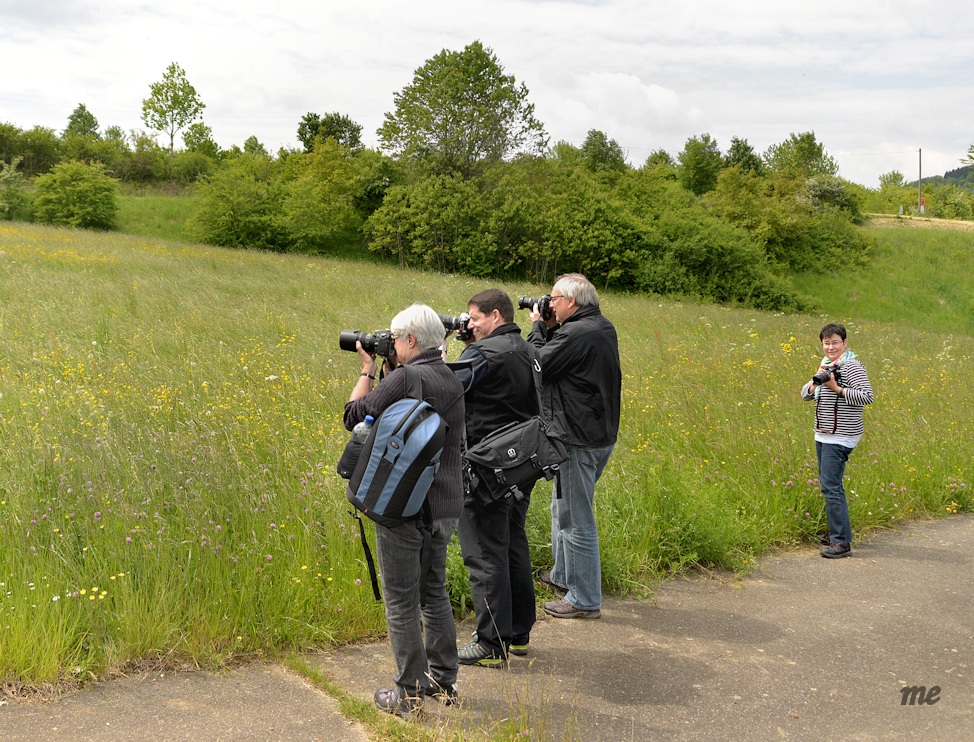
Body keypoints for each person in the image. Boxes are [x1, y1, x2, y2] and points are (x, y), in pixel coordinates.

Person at [343, 303, 465, 716]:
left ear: (410, 340)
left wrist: (366, 369)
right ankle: (443, 679)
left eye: (395, 339)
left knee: (400, 600)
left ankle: (408, 695)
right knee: (434, 591)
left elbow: (354, 415)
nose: (391, 345)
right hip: (446, 504)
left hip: (405, 505)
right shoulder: (451, 376)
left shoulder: (408, 376)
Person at [452, 289, 540, 668]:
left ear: (495, 316)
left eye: (474, 319)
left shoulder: (483, 354)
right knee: (512, 544)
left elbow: (449, 392)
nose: (469, 325)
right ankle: (518, 631)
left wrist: (459, 352)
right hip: (522, 462)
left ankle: (490, 642)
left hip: (487, 468)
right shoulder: (526, 348)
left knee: (485, 552)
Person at [527, 273, 621, 619]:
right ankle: (563, 576)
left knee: (576, 521)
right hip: (598, 434)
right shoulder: (599, 326)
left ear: (571, 301)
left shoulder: (577, 332)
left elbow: (536, 365)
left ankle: (584, 598)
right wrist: (551, 328)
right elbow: (562, 360)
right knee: (562, 510)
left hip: (576, 438)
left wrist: (537, 327)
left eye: (553, 299)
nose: (548, 304)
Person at [800, 323, 874, 559]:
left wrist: (836, 388)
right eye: (826, 342)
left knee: (831, 487)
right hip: (823, 433)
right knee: (828, 485)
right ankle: (836, 532)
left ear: (845, 343)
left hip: (841, 436)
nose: (830, 346)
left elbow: (867, 397)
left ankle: (841, 542)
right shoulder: (827, 364)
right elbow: (805, 395)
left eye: (835, 342)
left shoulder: (851, 366)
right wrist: (816, 383)